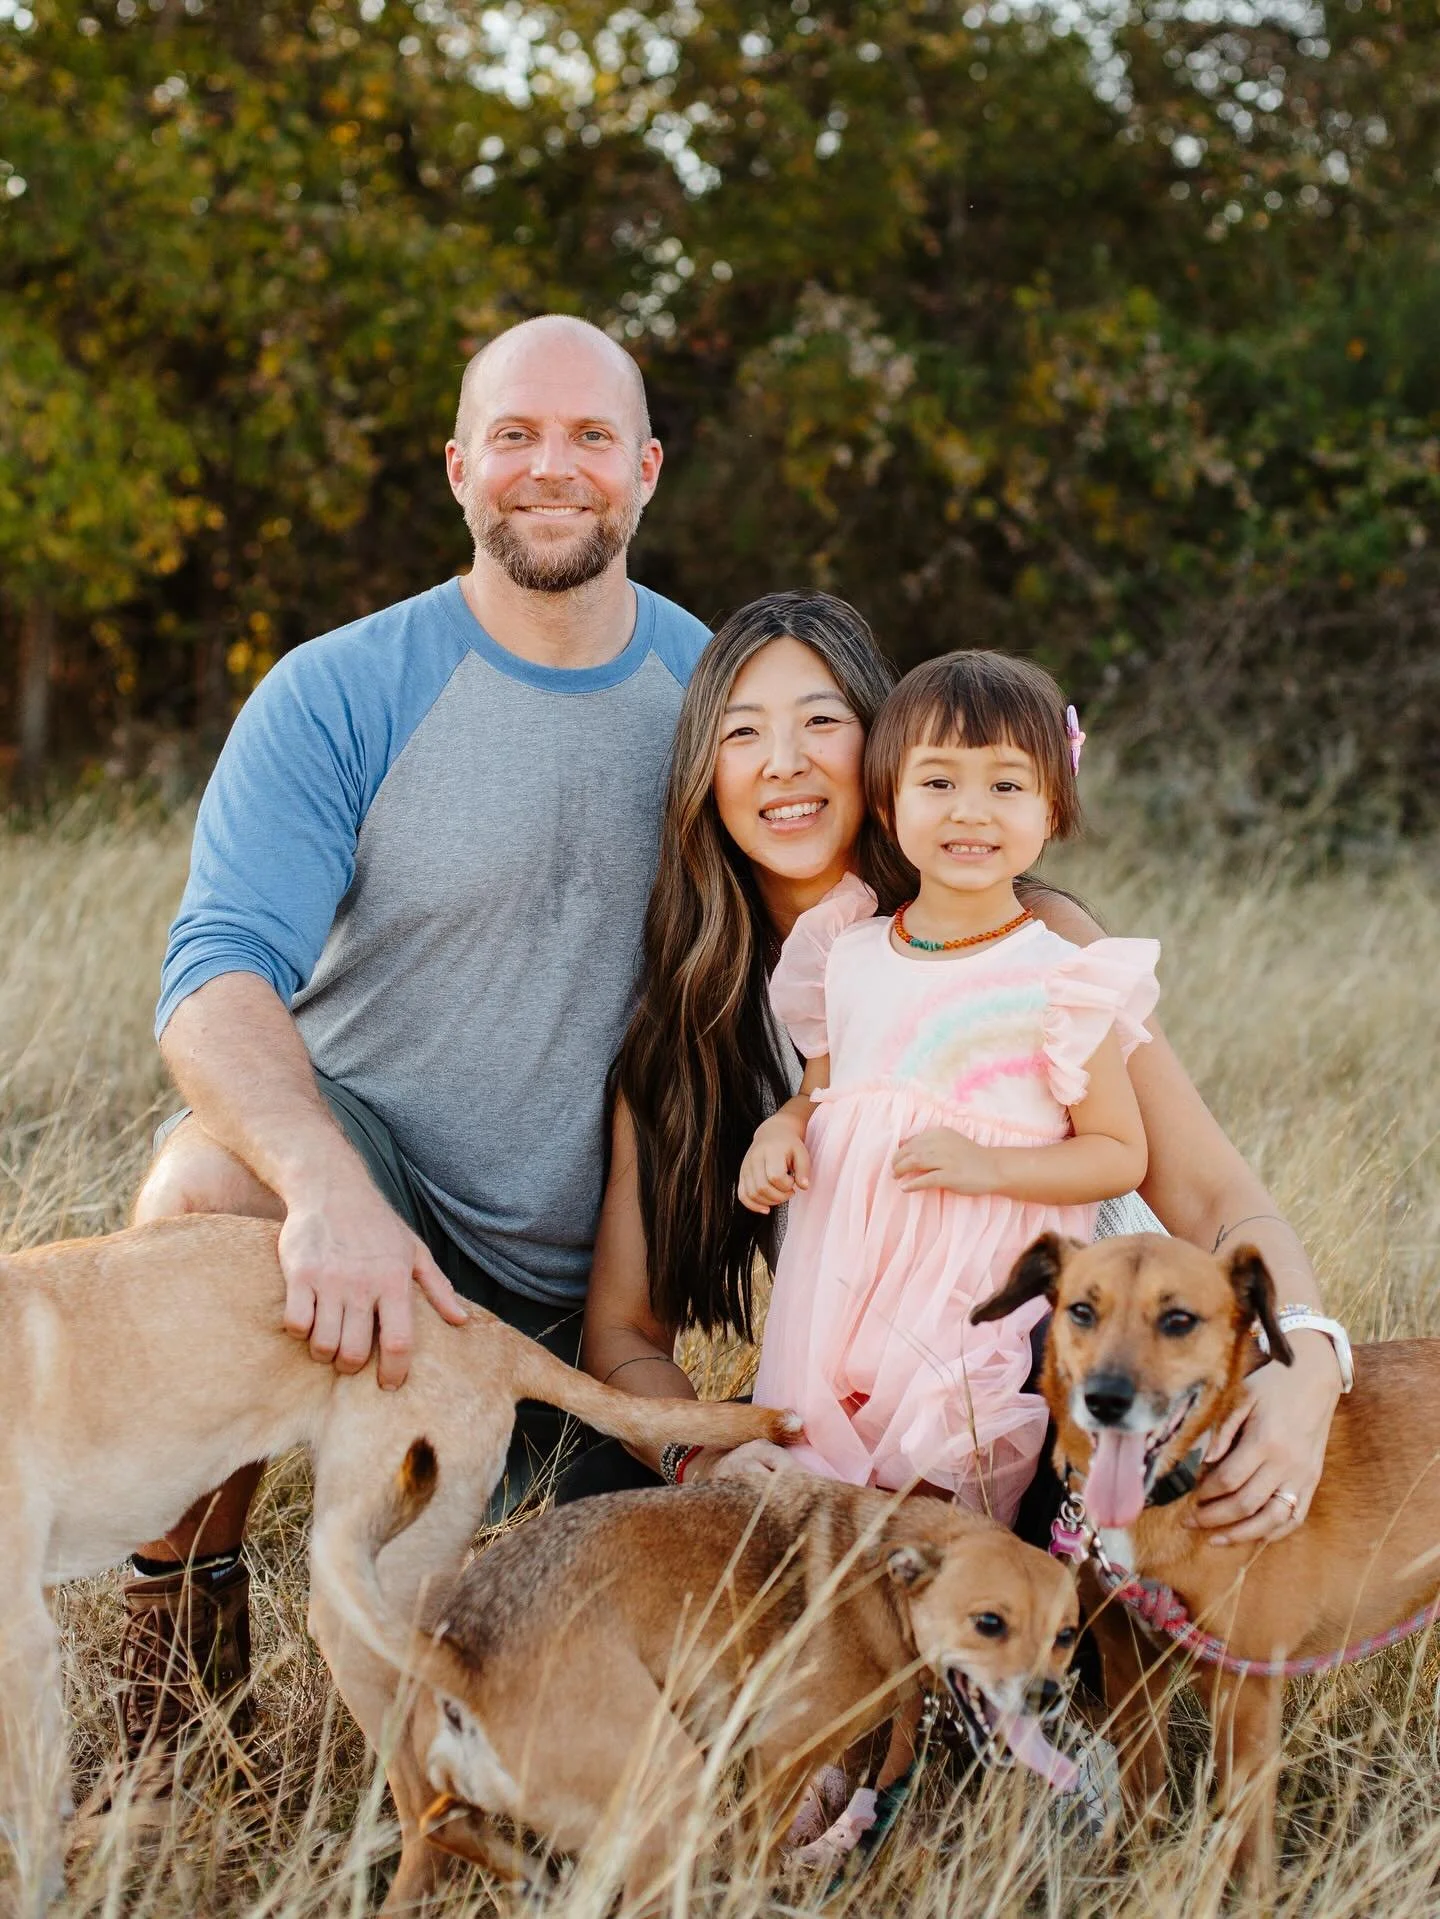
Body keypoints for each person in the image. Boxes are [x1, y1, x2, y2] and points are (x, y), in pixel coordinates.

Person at [119, 314, 711, 1758]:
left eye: (587, 438)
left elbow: (903, 918)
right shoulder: (340, 689)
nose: (549, 468)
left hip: (597, 1307)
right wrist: (326, 1191)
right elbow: (213, 973)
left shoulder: (722, 698)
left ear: (644, 468)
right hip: (372, 1239)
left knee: (559, 1698)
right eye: (513, 435)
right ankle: (176, 1668)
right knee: (203, 1192)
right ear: (460, 469)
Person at [575, 594, 1347, 1545]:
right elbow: (623, 1334)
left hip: (1072, 1381)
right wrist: (710, 1455)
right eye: (742, 733)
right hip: (872, 1408)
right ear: (702, 770)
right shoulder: (685, 1042)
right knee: (629, 1522)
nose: (785, 761)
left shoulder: (1036, 941)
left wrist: (1307, 1351)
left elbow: (1210, 1187)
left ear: (887, 745)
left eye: (822, 721)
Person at [741, 650, 1159, 1522]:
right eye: (939, 782)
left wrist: (991, 1165)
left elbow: (1120, 1152)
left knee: (941, 1506)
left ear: (1054, 807)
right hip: (844, 1284)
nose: (971, 812)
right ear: (889, 804)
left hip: (975, 1297)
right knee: (825, 1507)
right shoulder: (847, 950)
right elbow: (822, 1089)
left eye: (1008, 786)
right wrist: (780, 1128)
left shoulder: (1059, 977)